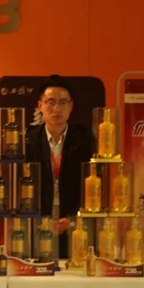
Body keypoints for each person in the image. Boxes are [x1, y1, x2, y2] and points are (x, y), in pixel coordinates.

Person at [25, 75, 94, 258]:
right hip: (38, 225)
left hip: (76, 225)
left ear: (71, 106)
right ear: (40, 106)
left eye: (63, 102)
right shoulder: (29, 141)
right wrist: (43, 220)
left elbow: (93, 186)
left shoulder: (84, 141)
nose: (56, 109)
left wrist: (72, 220)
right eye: (50, 102)